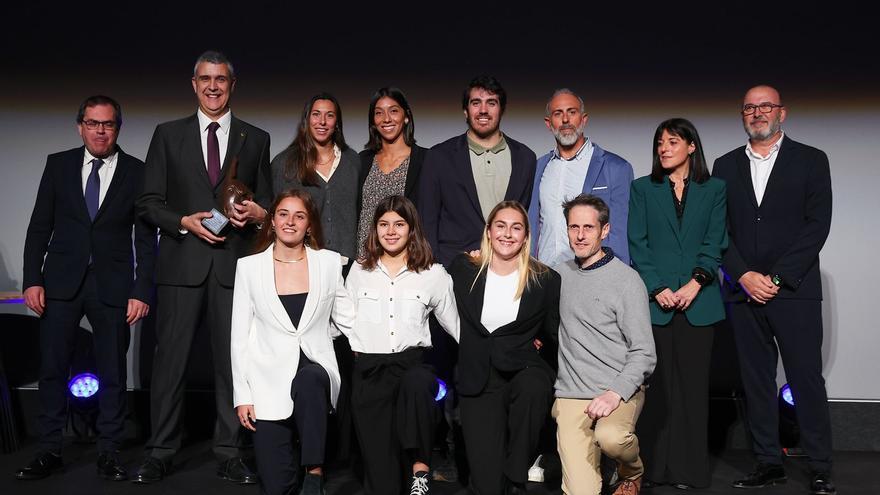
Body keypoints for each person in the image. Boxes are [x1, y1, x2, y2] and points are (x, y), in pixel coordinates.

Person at [135, 50, 272, 484]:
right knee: (170, 364)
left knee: (232, 366)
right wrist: (182, 222)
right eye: (205, 79)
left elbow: (266, 207)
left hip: (233, 269)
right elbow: (147, 203)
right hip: (180, 268)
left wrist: (256, 213)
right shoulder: (167, 135)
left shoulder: (256, 138)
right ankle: (160, 450)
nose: (213, 86)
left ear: (233, 85)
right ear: (193, 84)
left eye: (221, 79)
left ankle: (230, 450)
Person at [17, 95, 155, 481]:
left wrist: (142, 290)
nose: (100, 130)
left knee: (112, 371)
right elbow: (39, 226)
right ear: (80, 126)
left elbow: (146, 239)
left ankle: (108, 452)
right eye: (93, 123)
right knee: (52, 368)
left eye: (108, 124)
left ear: (117, 128)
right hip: (60, 282)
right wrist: (32, 279)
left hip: (112, 286)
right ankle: (49, 450)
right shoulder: (58, 165)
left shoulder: (136, 171)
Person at [713, 85, 835, 495]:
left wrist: (778, 278)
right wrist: (743, 275)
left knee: (805, 380)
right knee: (756, 381)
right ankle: (768, 462)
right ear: (742, 115)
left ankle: (820, 467)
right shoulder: (724, 165)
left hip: (794, 291)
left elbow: (817, 226)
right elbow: (719, 231)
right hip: (743, 292)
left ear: (782, 112)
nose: (757, 113)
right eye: (749, 107)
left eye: (765, 106)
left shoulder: (812, 160)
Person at [231, 189, 354, 495]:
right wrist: (242, 394)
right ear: (271, 221)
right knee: (277, 486)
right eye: (283, 214)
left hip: (314, 366)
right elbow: (239, 336)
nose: (290, 222)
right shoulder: (248, 268)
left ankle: (314, 471)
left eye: (299, 216)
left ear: (309, 225)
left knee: (311, 380)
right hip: (266, 379)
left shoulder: (327, 263)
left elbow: (349, 318)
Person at [628, 118, 727, 489]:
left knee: (693, 390)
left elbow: (715, 241)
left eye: (672, 141)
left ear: (691, 147)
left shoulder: (715, 188)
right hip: (657, 304)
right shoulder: (643, 189)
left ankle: (689, 471)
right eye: (660, 143)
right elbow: (638, 244)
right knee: (657, 392)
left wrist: (695, 284)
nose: (664, 148)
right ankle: (653, 470)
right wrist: (657, 288)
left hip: (699, 303)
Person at [342, 195, 459, 495]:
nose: (391, 231)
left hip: (411, 370)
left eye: (399, 224)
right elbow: (341, 320)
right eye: (383, 224)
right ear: (375, 229)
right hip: (369, 375)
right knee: (384, 485)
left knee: (420, 381)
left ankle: (421, 467)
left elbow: (458, 328)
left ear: (411, 229)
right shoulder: (359, 271)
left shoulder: (433, 273)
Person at [448, 200, 560, 495]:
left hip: (523, 370)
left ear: (525, 236)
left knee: (535, 387)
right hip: (479, 377)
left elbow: (553, 335)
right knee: (487, 486)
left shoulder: (545, 280)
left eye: (516, 227)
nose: (507, 234)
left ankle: (517, 471)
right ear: (488, 231)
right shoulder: (462, 269)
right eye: (500, 226)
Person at [553, 194, 655, 495]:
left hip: (617, 390)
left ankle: (631, 471)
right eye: (574, 227)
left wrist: (614, 394)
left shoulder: (627, 281)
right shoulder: (559, 275)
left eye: (588, 227)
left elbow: (644, 353)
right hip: (572, 395)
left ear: (605, 230)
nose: (580, 235)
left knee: (611, 436)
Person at [419, 75, 537, 267]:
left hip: (507, 267)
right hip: (452, 268)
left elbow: (520, 219)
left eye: (491, 103)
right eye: (476, 103)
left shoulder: (525, 158)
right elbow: (427, 221)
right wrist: (434, 268)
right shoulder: (439, 157)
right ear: (466, 111)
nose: (483, 110)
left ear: (502, 109)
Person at [528, 89, 634, 267]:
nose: (565, 120)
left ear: (583, 119)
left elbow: (620, 232)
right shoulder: (538, 168)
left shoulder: (616, 168)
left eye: (572, 112)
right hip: (544, 274)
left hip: (591, 277)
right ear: (548, 123)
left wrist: (614, 280)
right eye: (558, 113)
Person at [271, 93, 360, 265]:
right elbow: (274, 217)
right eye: (316, 114)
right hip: (304, 264)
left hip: (347, 265)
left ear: (337, 123)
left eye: (330, 115)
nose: (322, 122)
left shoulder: (352, 161)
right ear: (307, 119)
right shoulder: (285, 164)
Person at [356, 87, 428, 258]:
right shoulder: (362, 160)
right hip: (364, 259)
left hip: (408, 259)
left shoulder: (426, 161)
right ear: (373, 121)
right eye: (379, 113)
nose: (386, 119)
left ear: (406, 117)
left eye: (394, 111)